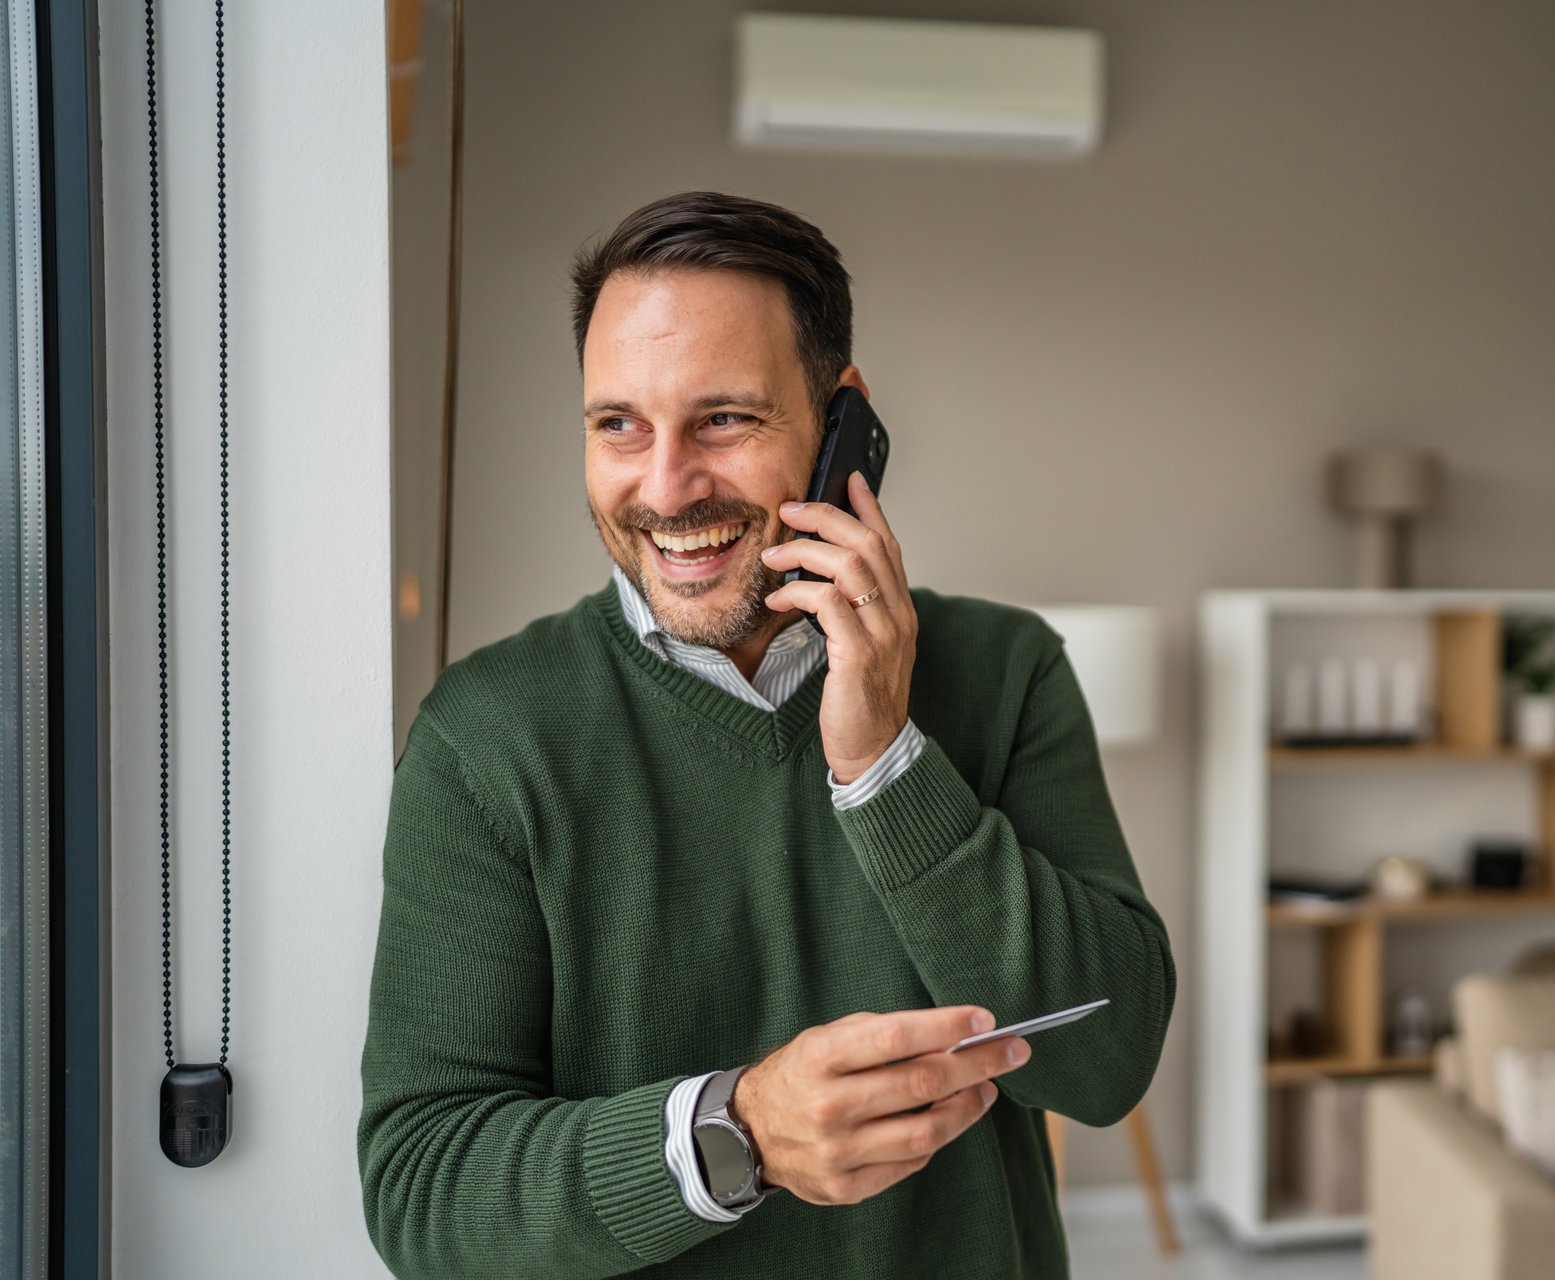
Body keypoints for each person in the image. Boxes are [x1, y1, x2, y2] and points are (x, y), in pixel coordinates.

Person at [357, 190, 1176, 1278]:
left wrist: (885, 764)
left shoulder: (1006, 669)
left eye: (724, 419)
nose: (665, 487)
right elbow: (423, 1189)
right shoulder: (485, 738)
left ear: (843, 423)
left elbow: (1108, 1063)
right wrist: (733, 1134)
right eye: (618, 424)